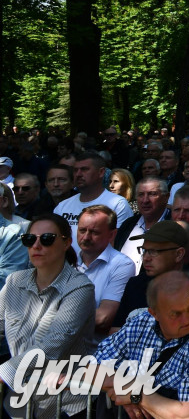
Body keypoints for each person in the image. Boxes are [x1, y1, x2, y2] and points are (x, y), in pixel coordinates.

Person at [94, 271, 189, 419]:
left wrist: (136, 395)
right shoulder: (141, 322)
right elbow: (90, 368)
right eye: (175, 314)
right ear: (154, 313)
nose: (186, 319)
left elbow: (188, 415)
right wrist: (123, 385)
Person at [0, 213, 95, 417]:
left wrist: (4, 372)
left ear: (66, 243)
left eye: (47, 239)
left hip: (65, 405)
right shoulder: (14, 281)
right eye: (29, 239)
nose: (36, 246)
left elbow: (53, 344)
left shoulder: (80, 287)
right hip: (20, 403)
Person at [76, 204, 136, 334]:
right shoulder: (67, 260)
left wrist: (59, 323)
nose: (86, 237)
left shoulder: (122, 265)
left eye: (94, 232)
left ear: (112, 234)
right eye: (82, 230)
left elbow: (103, 318)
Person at [55, 151, 132, 242]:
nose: (78, 174)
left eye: (84, 169)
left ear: (101, 172)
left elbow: (120, 243)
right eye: (75, 170)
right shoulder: (62, 206)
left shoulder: (118, 204)